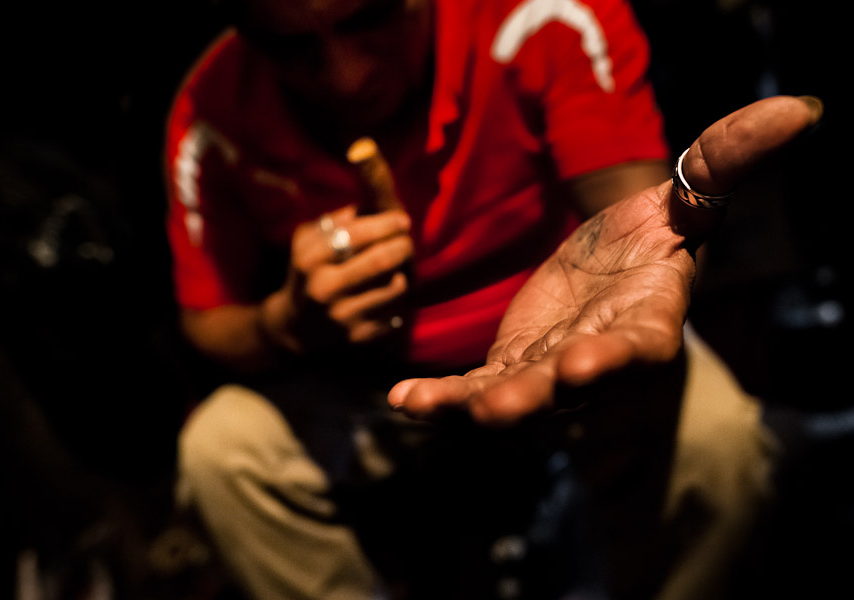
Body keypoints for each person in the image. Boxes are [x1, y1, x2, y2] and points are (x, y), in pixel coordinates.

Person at [163, 0, 821, 598]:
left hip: (569, 353)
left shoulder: (543, 18)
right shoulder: (209, 114)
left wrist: (638, 265)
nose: (347, 77)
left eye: (370, 20)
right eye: (291, 48)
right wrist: (285, 325)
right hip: (367, 390)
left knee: (719, 443)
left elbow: (633, 211)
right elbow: (206, 321)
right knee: (222, 452)